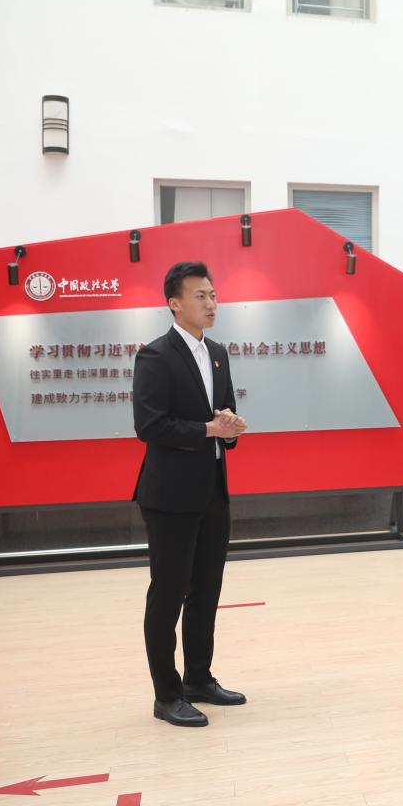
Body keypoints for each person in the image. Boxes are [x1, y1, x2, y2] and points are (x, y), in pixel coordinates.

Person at [133, 261, 249, 728]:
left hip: (213, 491)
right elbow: (150, 425)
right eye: (200, 295)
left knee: (206, 591)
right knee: (168, 595)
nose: (211, 303)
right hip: (169, 497)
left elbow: (223, 414)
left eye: (213, 294)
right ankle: (167, 694)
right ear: (175, 303)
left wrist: (230, 426)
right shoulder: (155, 356)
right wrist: (207, 430)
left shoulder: (217, 353)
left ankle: (199, 678)